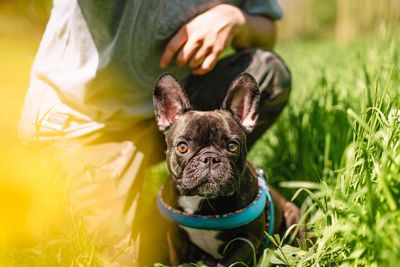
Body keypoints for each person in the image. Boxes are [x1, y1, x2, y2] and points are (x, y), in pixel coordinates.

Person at [18, 0, 291, 265]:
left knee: (268, 70)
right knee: (114, 257)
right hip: (87, 119)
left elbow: (266, 29)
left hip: (179, 105)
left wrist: (236, 19)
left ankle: (222, 193)